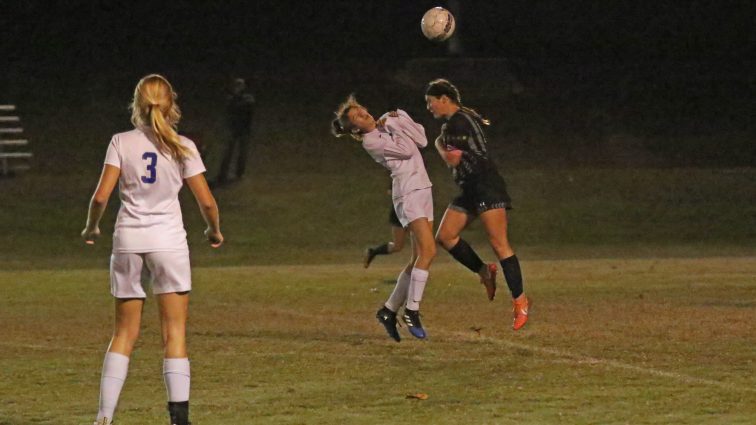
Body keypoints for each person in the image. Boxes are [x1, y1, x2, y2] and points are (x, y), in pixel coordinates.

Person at [81, 74, 223, 425]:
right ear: (170, 103)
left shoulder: (120, 142)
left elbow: (101, 196)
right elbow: (206, 202)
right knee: (174, 334)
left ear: (137, 104)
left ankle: (103, 417)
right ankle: (179, 419)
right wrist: (214, 231)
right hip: (169, 243)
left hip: (129, 241)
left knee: (123, 334)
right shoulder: (183, 145)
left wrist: (92, 226)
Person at [424, 78, 530, 330]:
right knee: (446, 235)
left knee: (499, 243)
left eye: (430, 103)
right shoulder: (461, 119)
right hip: (471, 188)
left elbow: (453, 159)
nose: (429, 108)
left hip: (485, 184)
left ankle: (521, 301)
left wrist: (438, 143)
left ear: (444, 99)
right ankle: (485, 272)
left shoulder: (457, 122)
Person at [332, 95, 436, 341]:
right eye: (357, 116)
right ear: (355, 128)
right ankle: (411, 311)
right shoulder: (371, 141)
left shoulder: (388, 122)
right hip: (408, 194)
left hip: (423, 189)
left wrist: (401, 117)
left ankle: (388, 311)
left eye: (362, 109)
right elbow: (407, 149)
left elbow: (422, 139)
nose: (364, 114)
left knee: (417, 258)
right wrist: (392, 124)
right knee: (429, 251)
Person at [216, 77, 255, 185]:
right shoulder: (231, 99)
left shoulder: (247, 99)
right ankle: (223, 174)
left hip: (244, 130)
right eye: (236, 86)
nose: (238, 88)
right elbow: (230, 109)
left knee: (242, 154)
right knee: (228, 153)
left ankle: (239, 173)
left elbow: (247, 107)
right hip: (233, 130)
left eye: (240, 86)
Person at [363, 184, 408, 268]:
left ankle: (417, 272)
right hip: (400, 212)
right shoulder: (400, 175)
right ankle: (372, 252)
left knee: (420, 243)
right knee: (398, 246)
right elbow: (390, 191)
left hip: (412, 211)